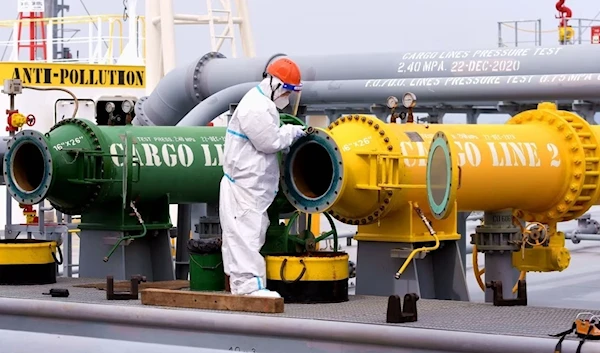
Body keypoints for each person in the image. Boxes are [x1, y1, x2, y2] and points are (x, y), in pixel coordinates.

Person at [219, 57, 307, 297]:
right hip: (244, 187)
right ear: (275, 84)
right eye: (287, 92)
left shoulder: (262, 104)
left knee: (246, 235)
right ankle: (249, 289)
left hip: (250, 187)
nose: (287, 98)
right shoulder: (256, 107)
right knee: (246, 236)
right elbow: (269, 141)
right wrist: (291, 132)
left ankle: (242, 286)